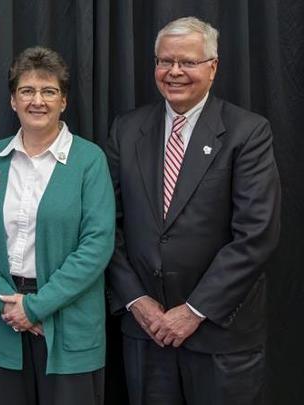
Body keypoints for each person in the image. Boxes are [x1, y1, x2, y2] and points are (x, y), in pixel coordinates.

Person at [106, 16, 281, 405]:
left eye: (187, 62)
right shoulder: (126, 130)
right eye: (164, 61)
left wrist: (194, 310)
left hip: (220, 335)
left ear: (213, 67)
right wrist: (138, 301)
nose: (174, 72)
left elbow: (257, 233)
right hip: (146, 332)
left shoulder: (247, 132)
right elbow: (107, 226)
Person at [0, 46, 115, 405]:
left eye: (49, 91)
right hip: (3, 320)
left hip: (69, 324)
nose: (37, 100)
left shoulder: (89, 160)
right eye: (27, 91)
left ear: (64, 101)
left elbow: (97, 245)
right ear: (13, 101)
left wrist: (34, 307)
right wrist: (7, 303)